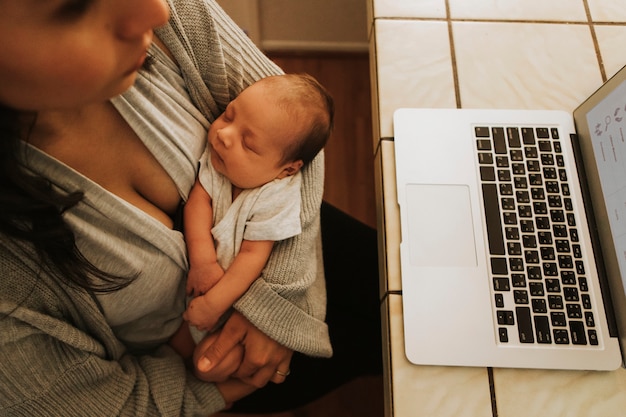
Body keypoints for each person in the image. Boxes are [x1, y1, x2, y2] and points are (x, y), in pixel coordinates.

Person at [0, 0, 382, 415]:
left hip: (298, 242)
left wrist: (275, 307)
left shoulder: (162, 17)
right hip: (235, 363)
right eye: (73, 6)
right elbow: (117, 405)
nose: (158, 11)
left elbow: (298, 125)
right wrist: (218, 379)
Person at [183, 73, 334, 344]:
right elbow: (198, 202)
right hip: (194, 285)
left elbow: (252, 256)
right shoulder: (220, 163)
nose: (225, 135)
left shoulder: (277, 195)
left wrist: (214, 304)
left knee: (213, 362)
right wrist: (203, 261)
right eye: (229, 115)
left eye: (248, 144)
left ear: (286, 169)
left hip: (235, 305)